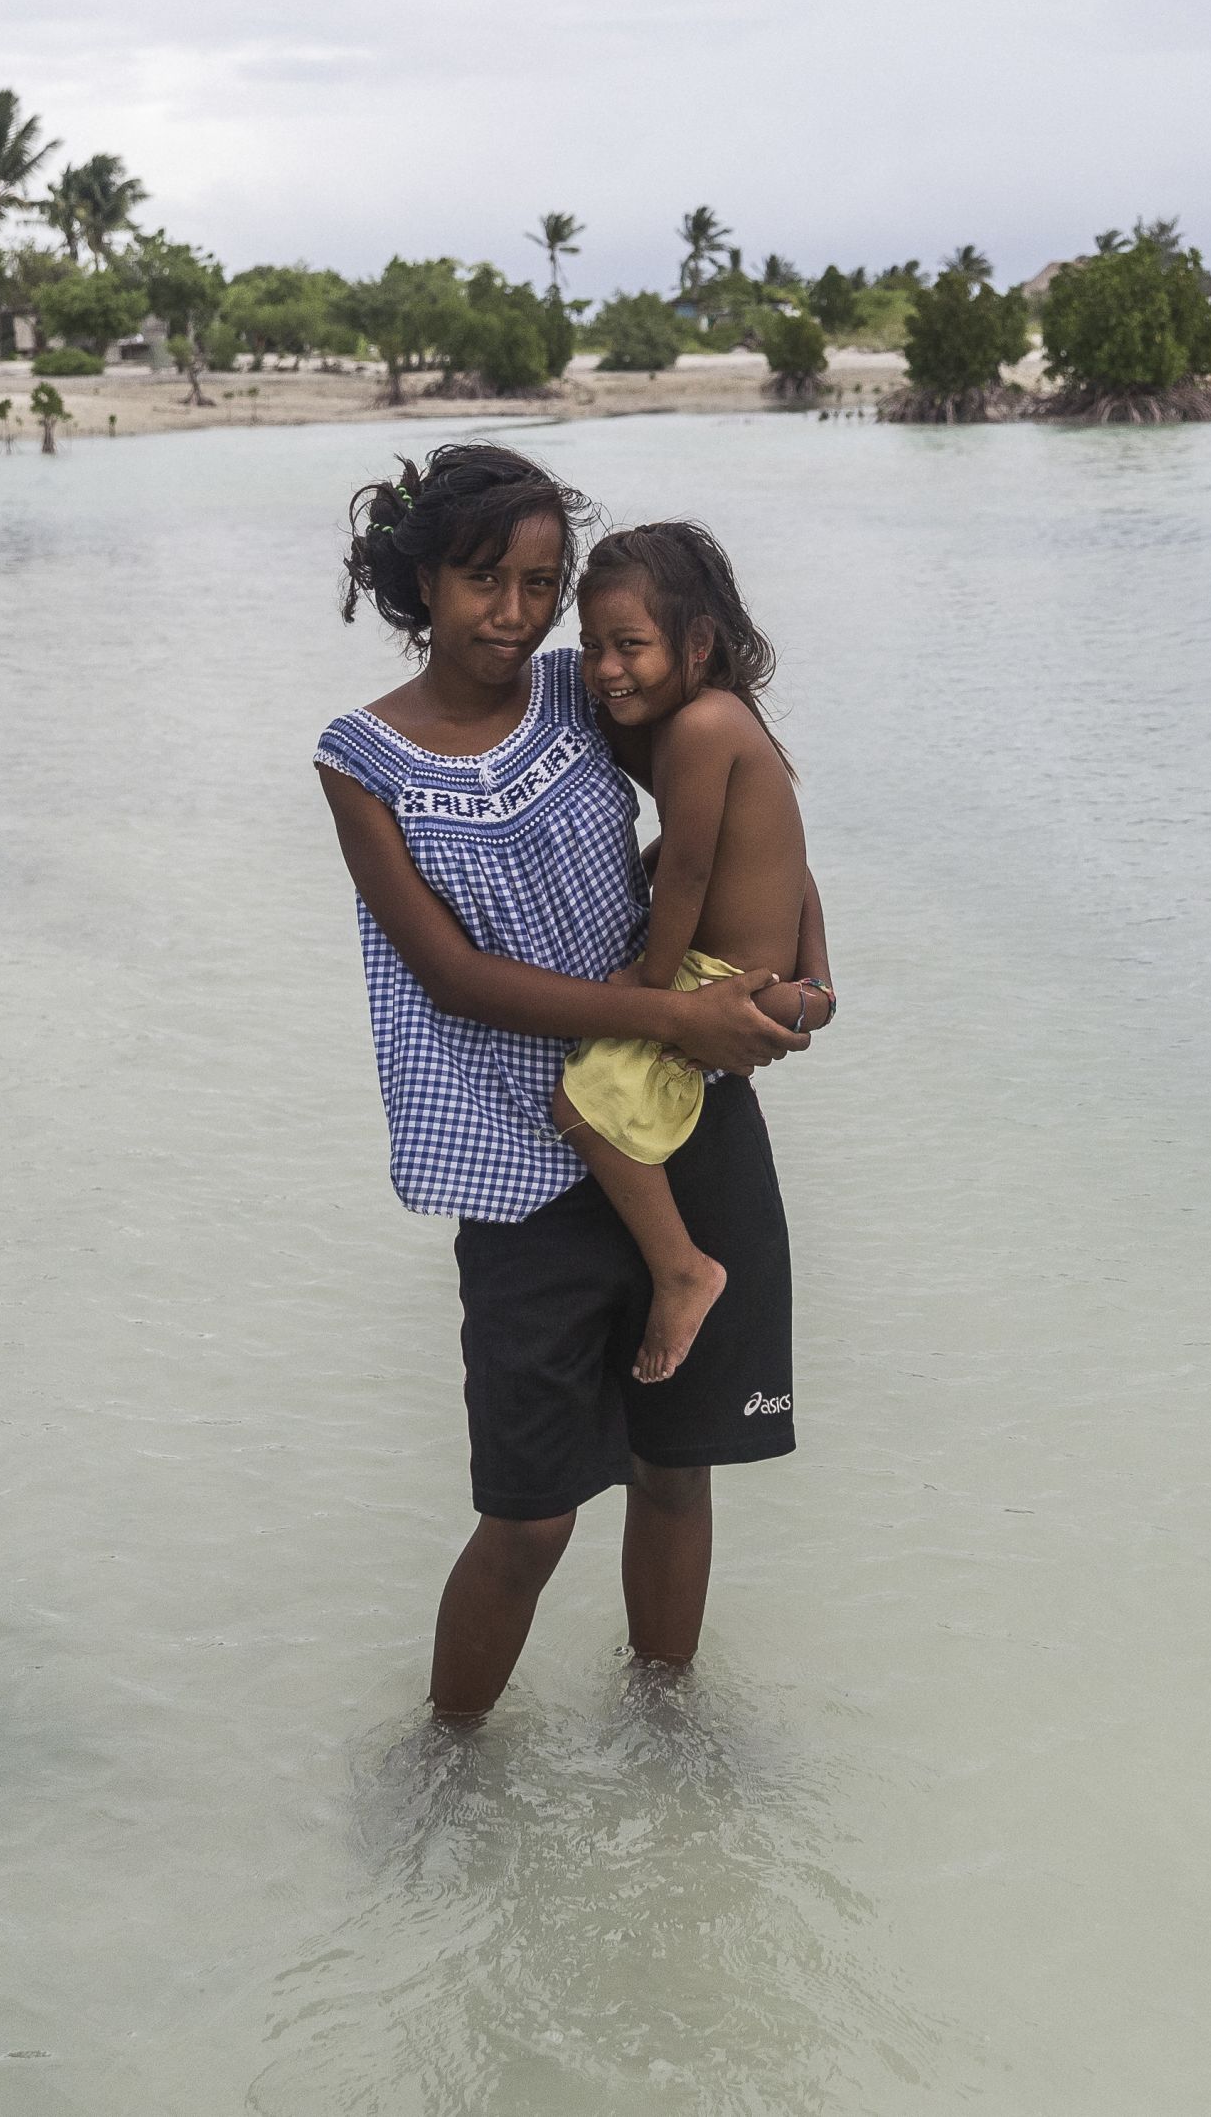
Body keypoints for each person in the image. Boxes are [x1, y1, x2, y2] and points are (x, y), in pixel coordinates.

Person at [312, 443, 823, 1721]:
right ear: (420, 578)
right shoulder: (360, 758)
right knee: (529, 1520)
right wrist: (670, 1011)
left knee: (676, 1466)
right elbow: (455, 977)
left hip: (680, 1115)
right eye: (486, 579)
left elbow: (746, 799)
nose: (518, 613)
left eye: (541, 582)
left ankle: (666, 1739)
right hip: (518, 1159)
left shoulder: (582, 691)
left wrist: (810, 970)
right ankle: (446, 1767)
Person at [546, 522, 830, 1386]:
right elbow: (785, 862)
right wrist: (814, 976)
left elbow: (694, 868)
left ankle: (682, 1268)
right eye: (591, 646)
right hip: (766, 974)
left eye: (629, 645)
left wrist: (650, 983)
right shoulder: (720, 720)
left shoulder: (702, 727)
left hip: (716, 980)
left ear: (696, 641)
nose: (604, 670)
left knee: (580, 1104)